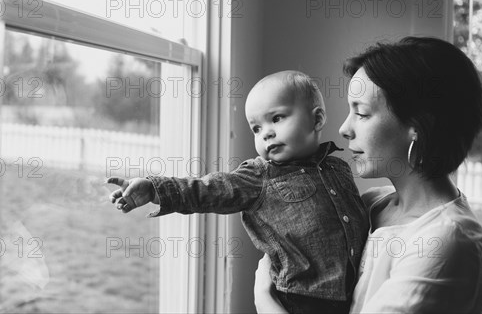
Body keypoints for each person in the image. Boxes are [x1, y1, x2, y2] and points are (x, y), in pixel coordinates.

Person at [254, 37, 482, 314]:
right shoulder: (367, 205)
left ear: (417, 125)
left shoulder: (447, 241)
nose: (344, 128)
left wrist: (263, 298)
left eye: (362, 113)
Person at [108, 70, 369, 314]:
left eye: (277, 118)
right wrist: (154, 188)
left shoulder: (339, 168)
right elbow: (207, 189)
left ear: (317, 119)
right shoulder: (259, 176)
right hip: (300, 298)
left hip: (353, 292)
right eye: (256, 128)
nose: (266, 133)